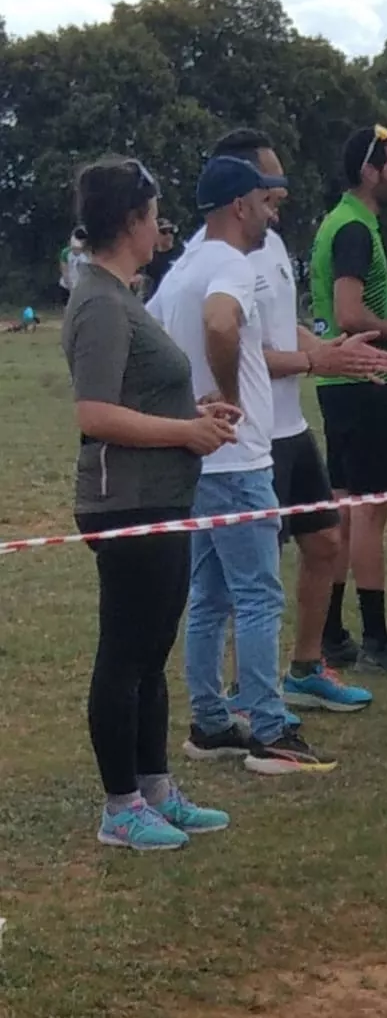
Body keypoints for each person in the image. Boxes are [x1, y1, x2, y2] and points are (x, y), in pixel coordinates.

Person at [64, 156, 236, 850]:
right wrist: (186, 430)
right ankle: (120, 806)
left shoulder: (123, 294)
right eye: (154, 213)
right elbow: (95, 413)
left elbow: (134, 395)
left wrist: (194, 413)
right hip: (125, 502)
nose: (161, 226)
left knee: (151, 650)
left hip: (162, 496)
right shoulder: (101, 301)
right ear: (133, 219)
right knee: (125, 655)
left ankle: (156, 787)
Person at [193, 128, 387, 717]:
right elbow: (232, 346)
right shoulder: (223, 260)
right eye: (270, 184)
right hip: (251, 440)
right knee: (241, 581)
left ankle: (305, 668)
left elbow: (283, 328)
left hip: (292, 429)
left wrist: (332, 348)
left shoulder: (271, 245)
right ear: (241, 191)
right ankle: (237, 693)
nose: (281, 194)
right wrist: (314, 360)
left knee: (326, 543)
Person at [155, 154, 337, 775]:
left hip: (197, 460)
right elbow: (221, 323)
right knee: (258, 593)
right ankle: (269, 727)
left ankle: (209, 722)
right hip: (236, 458)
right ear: (240, 205)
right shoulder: (230, 265)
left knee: (209, 595)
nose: (271, 211)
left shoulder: (180, 270)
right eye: (265, 202)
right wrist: (229, 394)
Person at [309, 125, 387, 673]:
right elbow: (348, 314)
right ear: (370, 171)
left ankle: (334, 633)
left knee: (343, 509)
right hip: (364, 383)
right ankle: (377, 641)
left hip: (341, 385)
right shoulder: (355, 229)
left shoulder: (343, 221)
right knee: (369, 515)